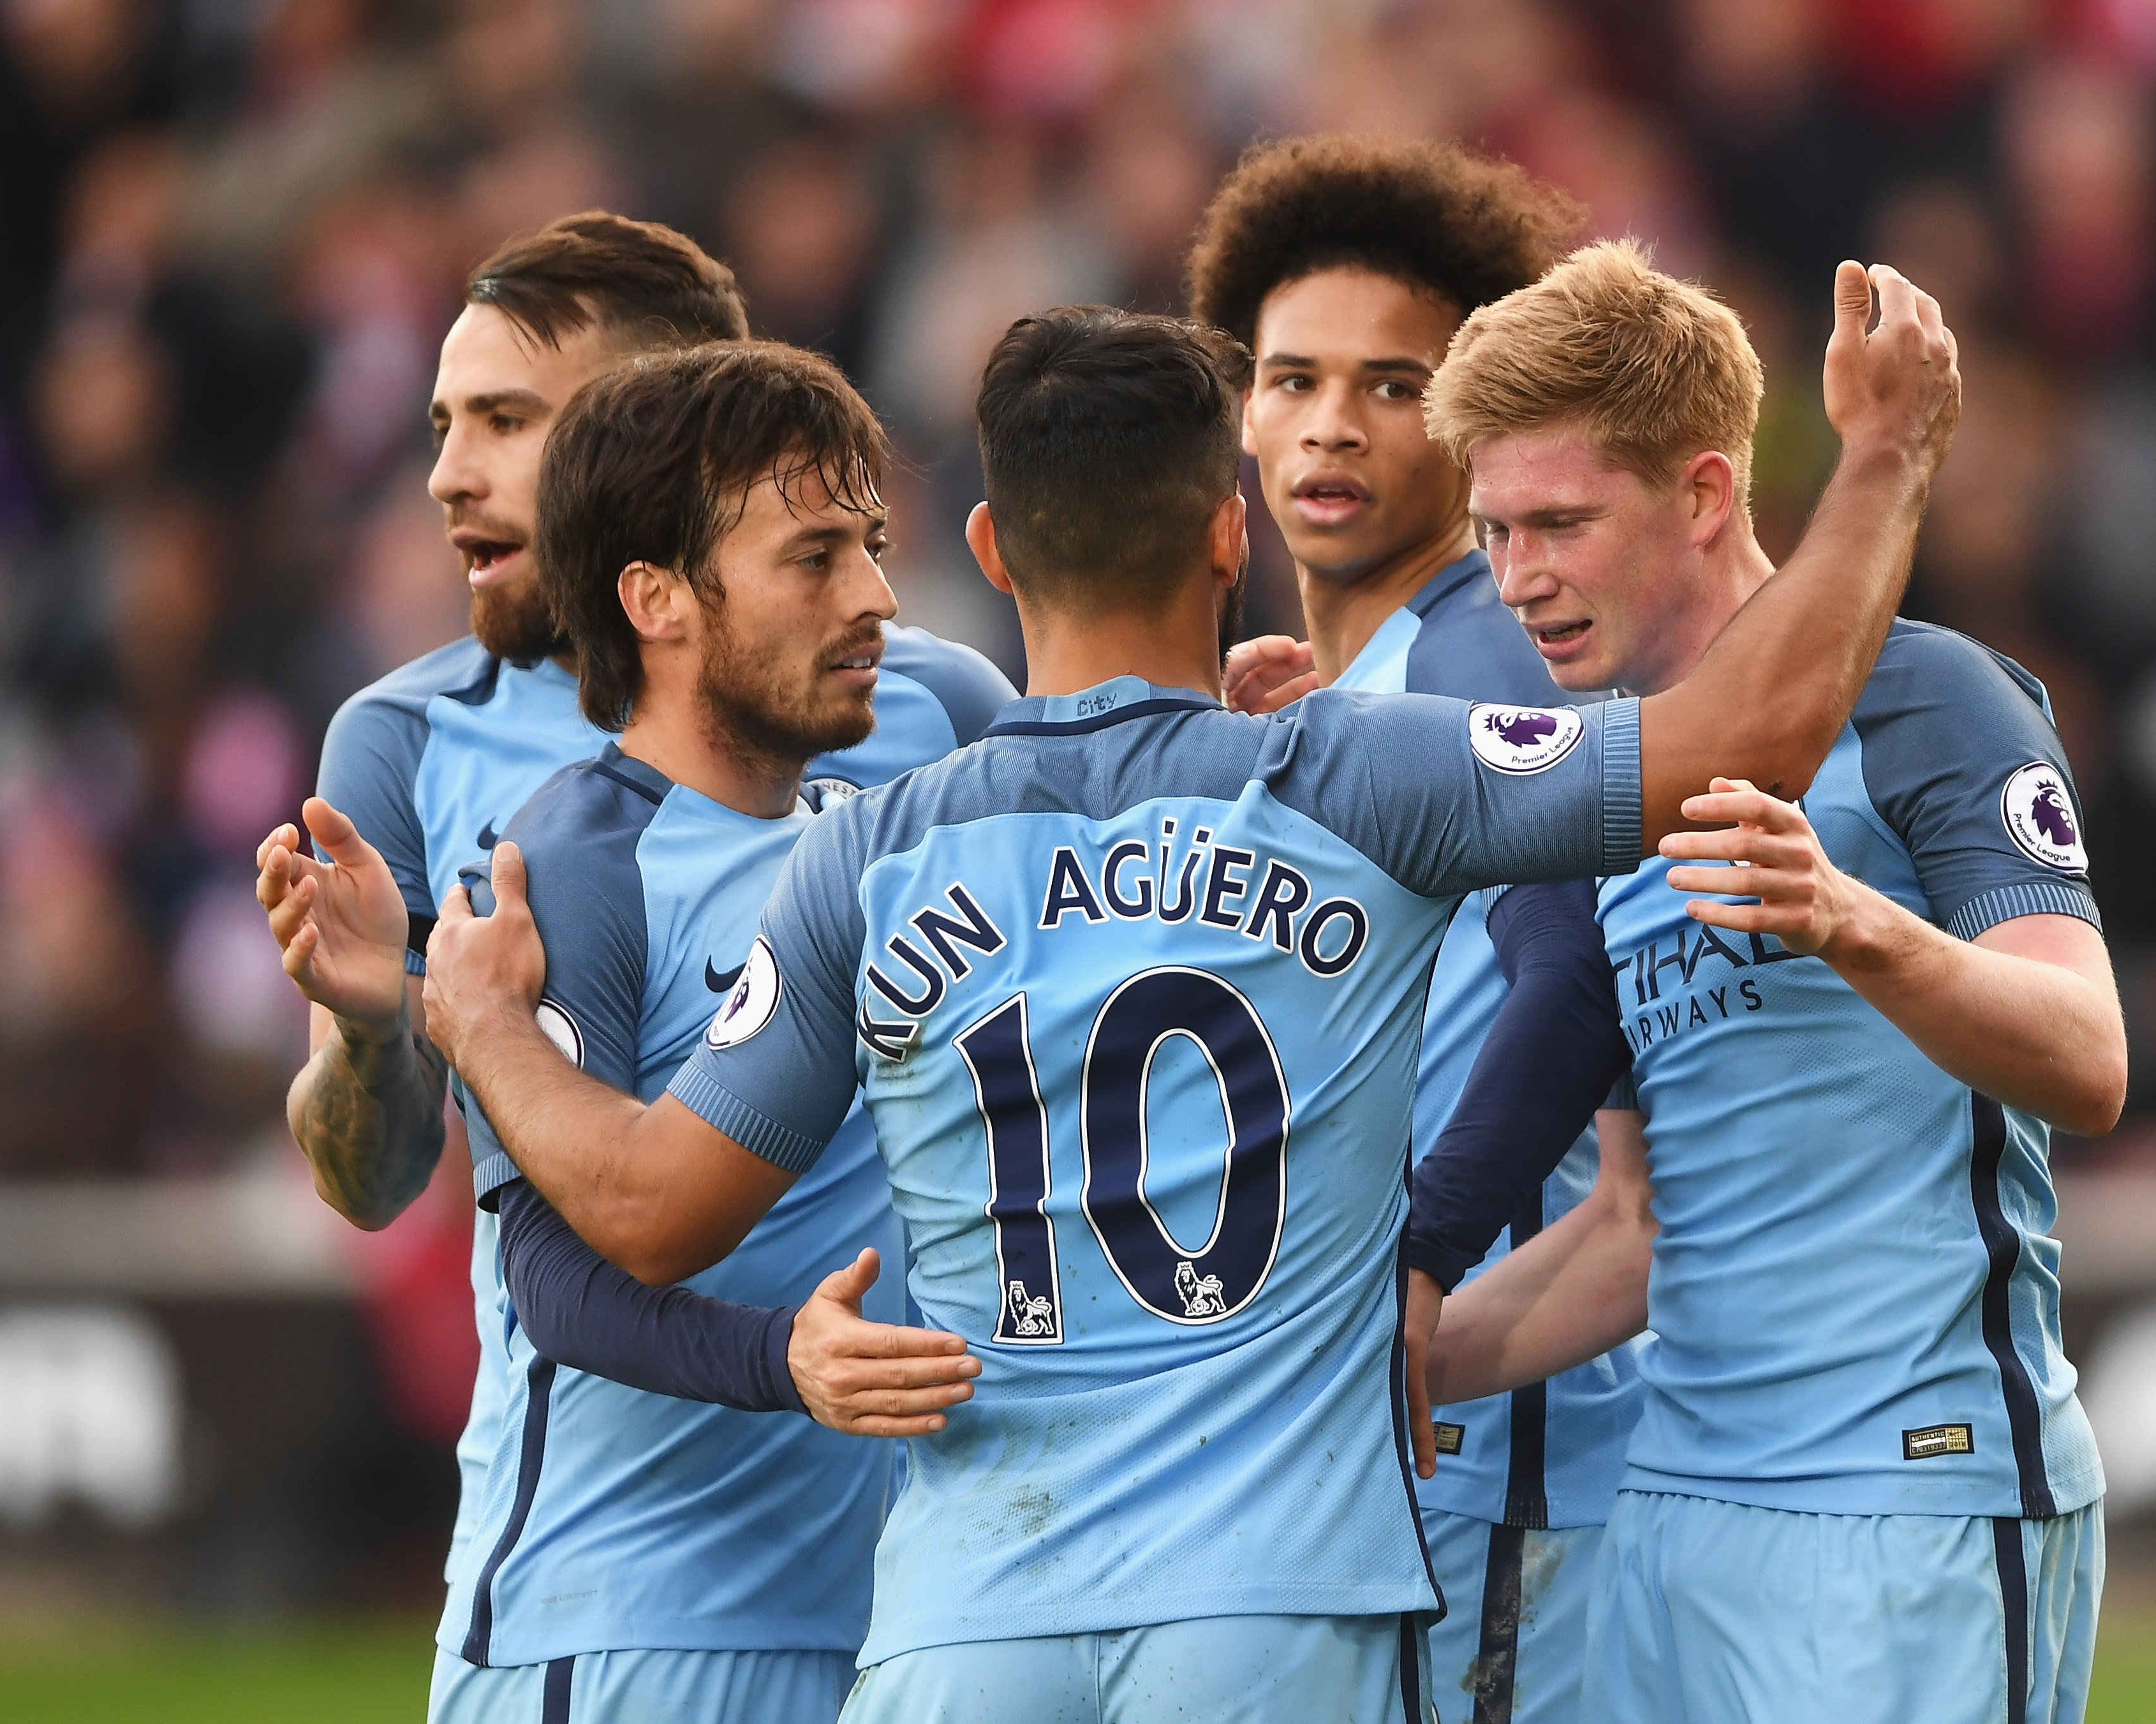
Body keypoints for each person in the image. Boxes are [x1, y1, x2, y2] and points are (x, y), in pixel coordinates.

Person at [421, 280, 1956, 1724]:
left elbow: (650, 1209)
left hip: (966, 1622)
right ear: (1231, 534)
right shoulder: (1359, 776)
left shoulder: (862, 859)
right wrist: (1884, 456)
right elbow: (1752, 730)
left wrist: (484, 1028)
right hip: (1274, 1606)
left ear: (994, 550)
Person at [250, 216, 1013, 1716]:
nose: (449, 473)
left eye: (506, 420)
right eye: (444, 423)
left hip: (924, 1580)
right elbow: (377, 1181)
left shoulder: (929, 708)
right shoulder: (405, 744)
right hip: (619, 1589)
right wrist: (378, 1035)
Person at [1403, 241, 2125, 1724]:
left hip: (1906, 1495)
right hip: (1670, 1509)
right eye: (1492, 531)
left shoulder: (1929, 696)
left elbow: (2086, 1054)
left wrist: (1853, 923)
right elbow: (1632, 1230)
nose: (1518, 579)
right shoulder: (1605, 787)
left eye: (1559, 524)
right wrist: (1385, 1364)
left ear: (1704, 494)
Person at [420, 339, 989, 1724]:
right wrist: (782, 1359)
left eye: (869, 548)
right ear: (657, 599)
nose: (874, 598)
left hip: (876, 1618)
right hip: (624, 1633)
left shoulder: (875, 842)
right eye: (814, 558)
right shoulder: (572, 865)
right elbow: (549, 1282)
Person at [1185, 133, 1648, 1724]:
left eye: (1394, 385)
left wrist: (1418, 1261)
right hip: (1410, 1461)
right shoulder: (1359, 684)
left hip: (1497, 1457)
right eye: (1293, 379)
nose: (1332, 422)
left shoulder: (1479, 656)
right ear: (1243, 411)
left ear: (1473, 423)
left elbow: (1576, 975)